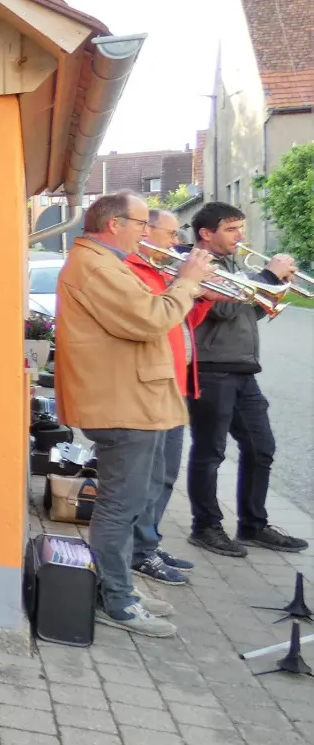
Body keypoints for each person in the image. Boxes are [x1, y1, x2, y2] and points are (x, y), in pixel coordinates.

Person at [55, 192, 209, 637]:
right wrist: (188, 280)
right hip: (122, 405)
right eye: (142, 223)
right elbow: (148, 319)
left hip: (135, 400)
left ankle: (121, 589)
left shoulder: (107, 263)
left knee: (131, 503)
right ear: (114, 224)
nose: (149, 232)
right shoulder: (96, 266)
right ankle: (116, 600)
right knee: (120, 507)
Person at [183, 202, 308, 556]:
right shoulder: (197, 265)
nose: (242, 236)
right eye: (232, 229)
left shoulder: (234, 265)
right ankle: (205, 527)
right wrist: (267, 278)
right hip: (211, 369)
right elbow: (219, 307)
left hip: (242, 370)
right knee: (210, 452)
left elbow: (243, 311)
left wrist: (272, 293)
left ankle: (253, 525)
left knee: (261, 448)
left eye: (241, 228)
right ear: (206, 234)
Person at [123, 211, 207, 587]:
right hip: (152, 391)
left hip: (175, 386)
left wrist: (200, 295)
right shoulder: (133, 270)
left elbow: (180, 322)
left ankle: (149, 543)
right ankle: (139, 552)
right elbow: (154, 321)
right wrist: (186, 284)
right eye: (169, 233)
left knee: (166, 475)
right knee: (150, 477)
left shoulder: (159, 271)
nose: (175, 242)